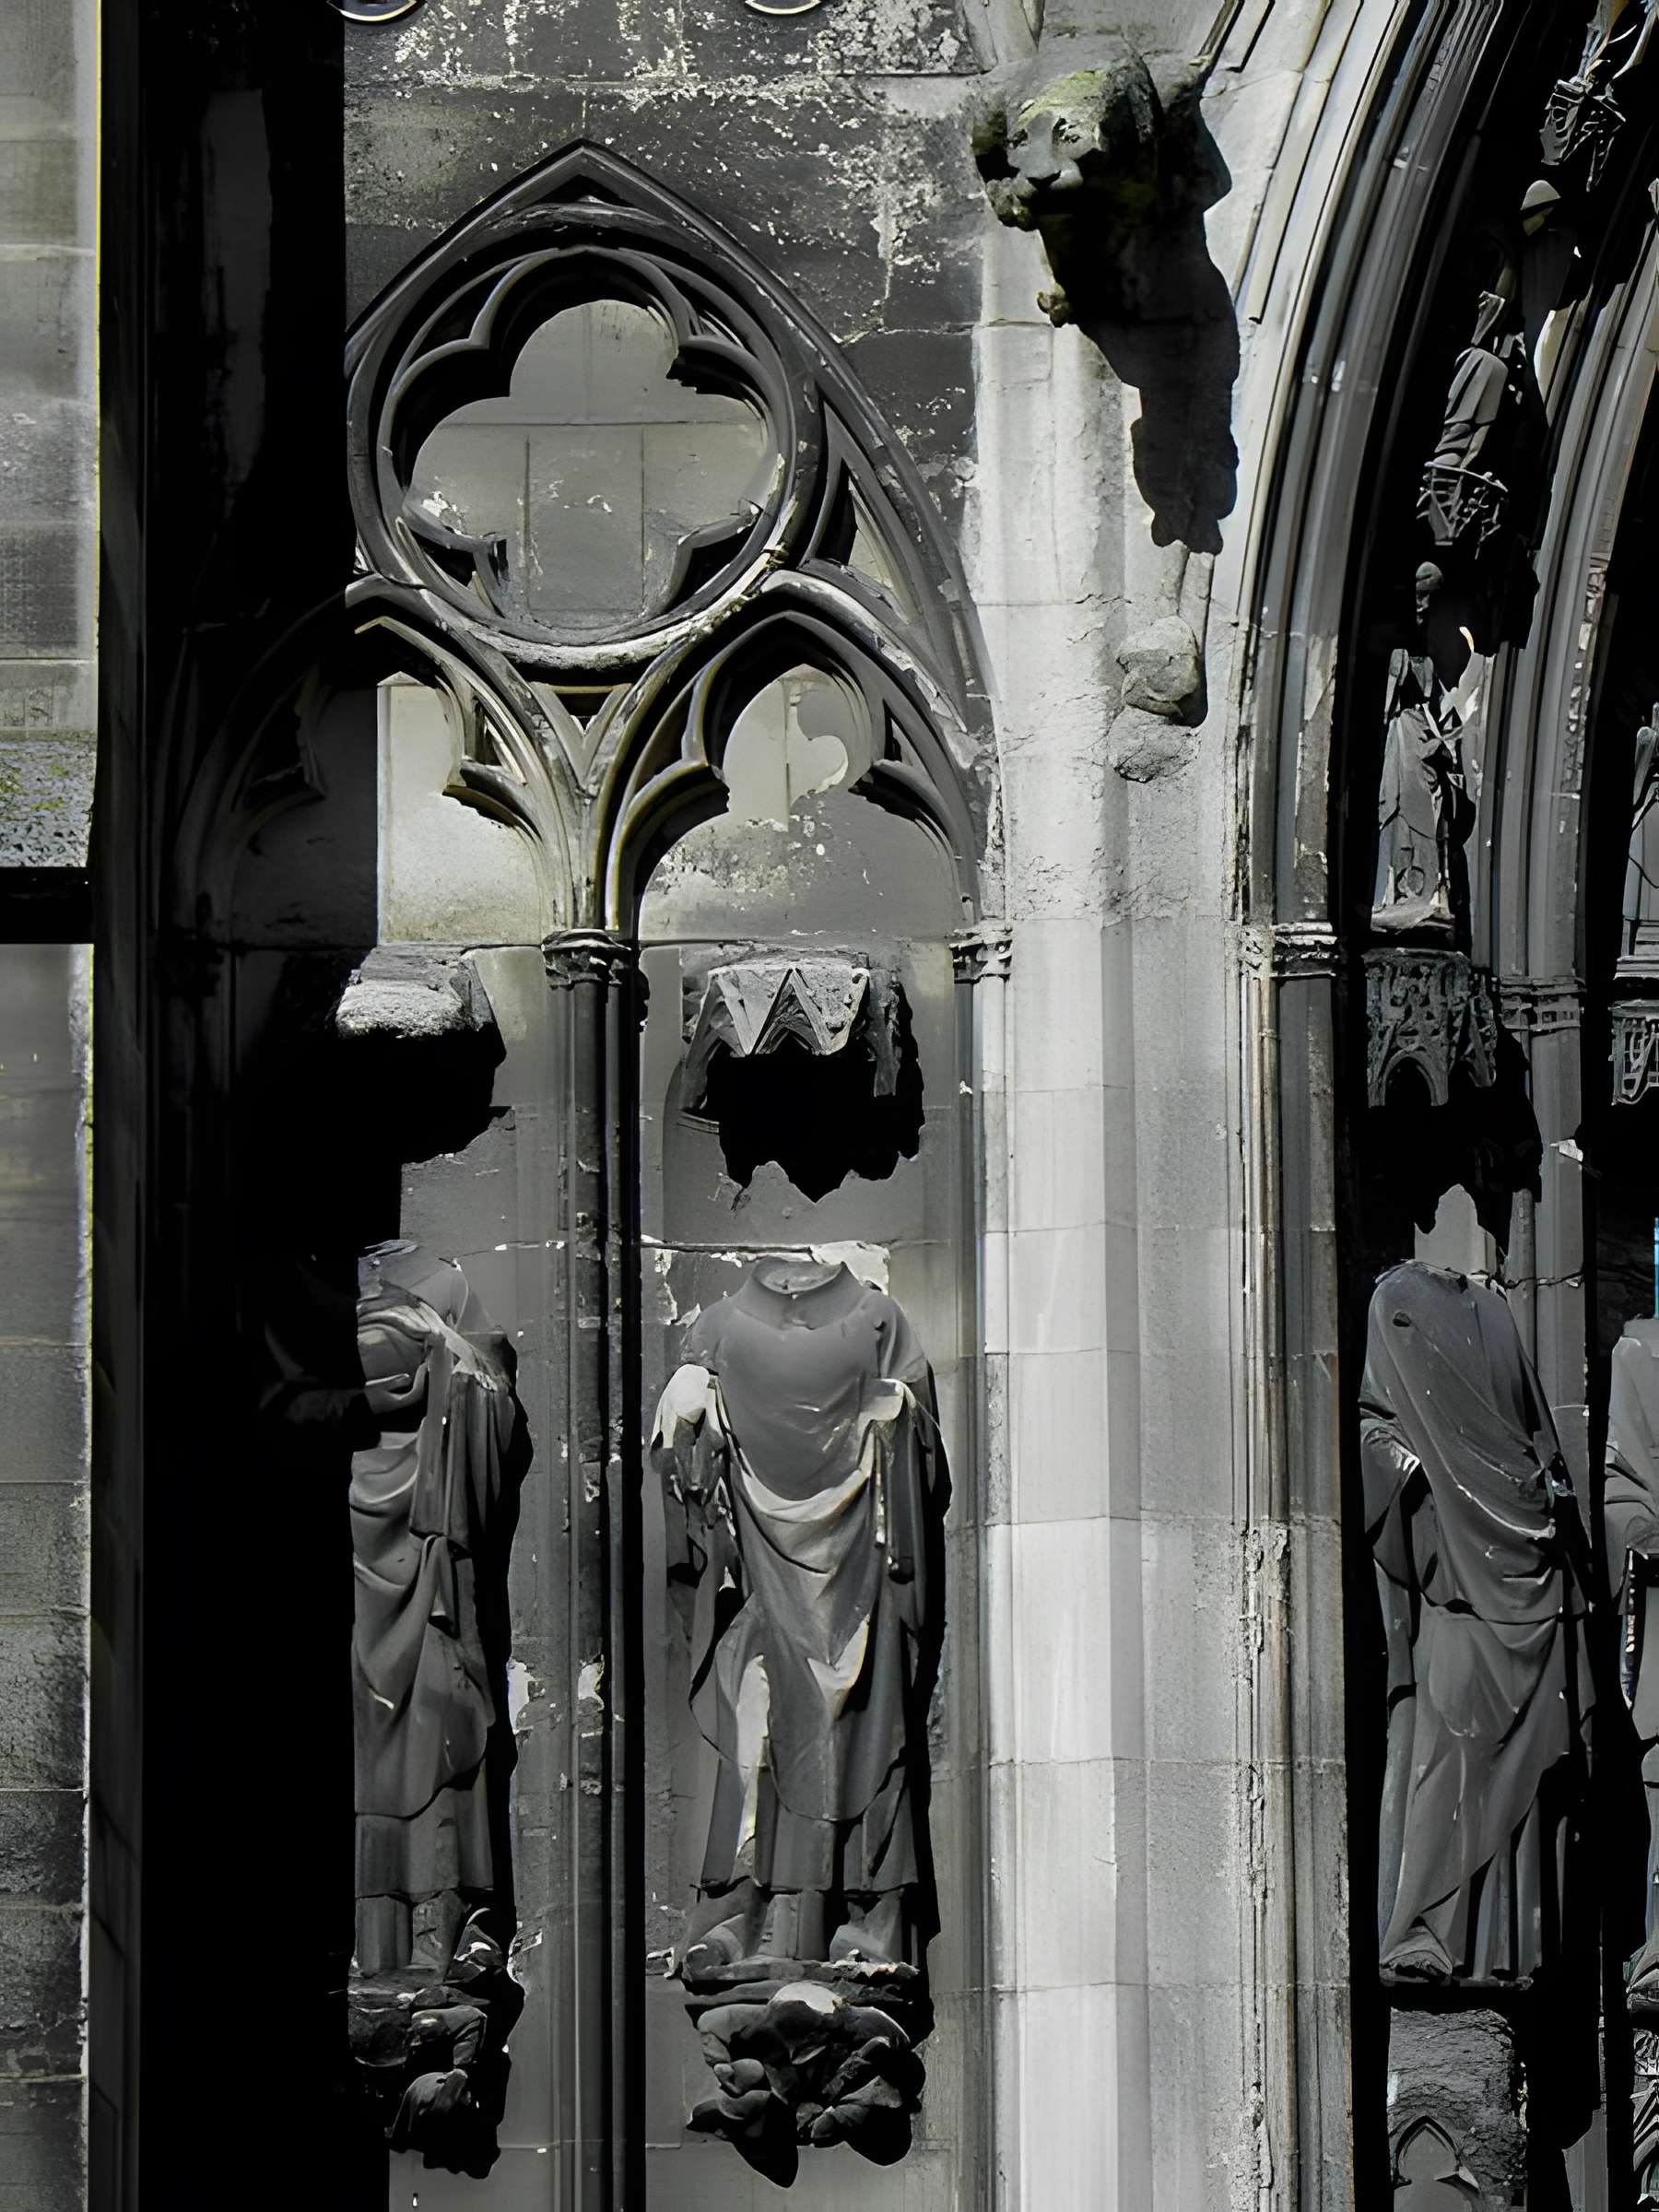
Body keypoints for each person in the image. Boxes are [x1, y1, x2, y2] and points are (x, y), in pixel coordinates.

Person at [652, 1256, 942, 1973]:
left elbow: (920, 1454)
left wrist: (897, 1418)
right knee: (760, 1715)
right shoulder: (718, 1332)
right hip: (762, 1578)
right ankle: (750, 1906)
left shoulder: (879, 1322)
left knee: (858, 1732)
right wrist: (690, 1414)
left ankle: (853, 1916)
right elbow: (686, 1487)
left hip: (856, 1581)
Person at [1360, 1263, 1593, 1983]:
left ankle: (1498, 1948)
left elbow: (1538, 1440)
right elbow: (1378, 1434)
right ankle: (1425, 1931)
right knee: (1449, 1742)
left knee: (1513, 1757)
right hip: (1464, 1586)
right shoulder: (1399, 1304)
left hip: (1524, 1572)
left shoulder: (1490, 1316)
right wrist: (1416, 1479)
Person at [350, 1239, 530, 1980]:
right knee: (364, 1747)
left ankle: (443, 1918)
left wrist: (437, 1343)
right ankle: (374, 1932)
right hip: (359, 1552)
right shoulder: (292, 1278)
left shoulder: (446, 1287)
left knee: (441, 1721)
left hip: (430, 1551)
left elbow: (491, 1401)